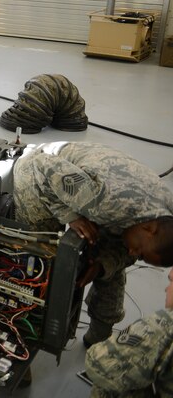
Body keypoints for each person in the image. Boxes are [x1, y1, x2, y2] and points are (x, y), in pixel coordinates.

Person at [13, 141, 173, 347]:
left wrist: (101, 265)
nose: (133, 253)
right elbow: (40, 163)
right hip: (38, 172)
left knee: (111, 267)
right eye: (139, 252)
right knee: (38, 257)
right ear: (149, 229)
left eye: (140, 256)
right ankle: (20, 338)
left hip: (99, 185)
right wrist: (69, 215)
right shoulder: (101, 200)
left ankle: (99, 341)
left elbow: (126, 251)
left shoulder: (166, 215)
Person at [85, 267, 173, 397]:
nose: (166, 289)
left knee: (107, 386)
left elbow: (97, 364)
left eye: (171, 282)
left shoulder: (164, 326)